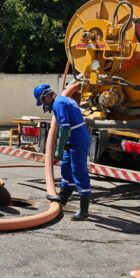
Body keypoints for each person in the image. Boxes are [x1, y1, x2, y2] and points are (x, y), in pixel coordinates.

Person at [34, 84, 91, 220]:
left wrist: (58, 150)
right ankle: (63, 197)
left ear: (47, 95)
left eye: (42, 101)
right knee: (66, 168)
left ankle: (84, 211)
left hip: (78, 140)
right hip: (73, 139)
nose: (43, 105)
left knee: (79, 172)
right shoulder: (63, 100)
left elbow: (65, 128)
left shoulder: (58, 104)